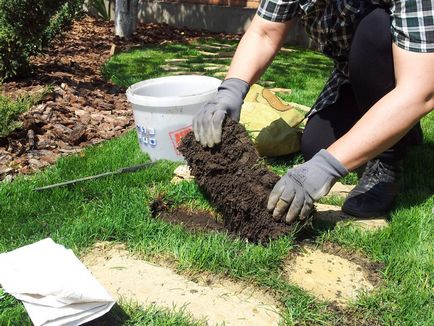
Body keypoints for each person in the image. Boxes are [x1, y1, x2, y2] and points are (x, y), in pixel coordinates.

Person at [193, 0, 434, 224]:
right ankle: (400, 126)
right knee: (316, 145)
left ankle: (387, 161)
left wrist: (327, 167)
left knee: (375, 27)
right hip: (350, 74)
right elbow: (264, 33)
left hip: (408, 69)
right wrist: (231, 90)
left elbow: (421, 89)